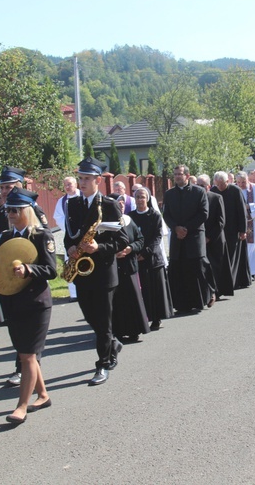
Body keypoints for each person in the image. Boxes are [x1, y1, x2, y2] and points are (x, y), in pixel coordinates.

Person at [65, 157, 129, 386]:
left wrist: (98, 247)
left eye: (86, 179)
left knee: (102, 322)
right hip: (82, 272)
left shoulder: (109, 205)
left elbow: (122, 240)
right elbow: (68, 234)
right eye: (80, 178)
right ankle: (112, 343)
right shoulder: (72, 204)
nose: (82, 183)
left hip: (103, 272)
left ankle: (102, 364)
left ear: (98, 181)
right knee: (91, 317)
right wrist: (70, 247)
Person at [0, 187, 57, 425]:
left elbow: (51, 270)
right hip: (13, 302)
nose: (10, 213)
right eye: (8, 209)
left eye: (15, 209)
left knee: (29, 356)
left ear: (27, 210)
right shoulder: (5, 237)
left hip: (36, 303)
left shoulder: (42, 235)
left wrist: (29, 269)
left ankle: (21, 406)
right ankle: (42, 395)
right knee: (24, 354)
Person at [0, 166, 46, 386]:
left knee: (27, 337)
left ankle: (25, 370)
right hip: (7, 278)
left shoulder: (32, 210)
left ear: (20, 186)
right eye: (2, 187)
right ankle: (38, 385)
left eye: (9, 186)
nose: (4, 191)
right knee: (16, 329)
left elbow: (39, 248)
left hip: (28, 279)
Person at [163, 165, 215, 312]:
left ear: (187, 175)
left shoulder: (198, 192)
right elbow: (166, 215)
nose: (177, 177)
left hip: (194, 236)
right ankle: (182, 304)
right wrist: (175, 228)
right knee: (178, 270)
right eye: (175, 175)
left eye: (180, 174)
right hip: (177, 237)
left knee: (198, 268)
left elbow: (203, 213)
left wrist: (186, 228)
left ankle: (208, 294)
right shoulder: (169, 194)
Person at [128, 187, 173, 331]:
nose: (140, 199)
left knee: (154, 291)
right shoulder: (130, 216)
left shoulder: (154, 215)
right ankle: (142, 318)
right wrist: (135, 251)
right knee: (141, 292)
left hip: (152, 258)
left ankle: (156, 318)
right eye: (137, 197)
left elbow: (157, 237)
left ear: (147, 199)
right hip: (136, 257)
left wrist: (146, 252)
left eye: (142, 197)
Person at [109, 193, 149, 343]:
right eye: (116, 203)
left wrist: (130, 249)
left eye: (121, 203)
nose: (119, 205)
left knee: (132, 300)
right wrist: (114, 253)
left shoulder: (128, 220)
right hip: (113, 268)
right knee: (117, 302)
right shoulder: (105, 224)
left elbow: (140, 240)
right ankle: (118, 332)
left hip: (129, 266)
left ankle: (134, 331)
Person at [211, 171, 249, 290]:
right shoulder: (213, 191)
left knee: (233, 255)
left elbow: (242, 212)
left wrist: (243, 230)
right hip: (219, 229)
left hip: (233, 228)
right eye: (217, 184)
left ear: (227, 181)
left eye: (222, 184)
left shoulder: (235, 191)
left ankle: (233, 281)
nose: (220, 187)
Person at [197, 174, 233, 299]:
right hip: (201, 238)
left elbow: (221, 221)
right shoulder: (195, 198)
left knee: (217, 266)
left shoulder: (216, 197)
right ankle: (207, 292)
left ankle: (217, 291)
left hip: (216, 238)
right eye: (198, 185)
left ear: (208, 186)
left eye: (202, 185)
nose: (200, 187)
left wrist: (209, 237)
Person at [52, 176, 79, 302]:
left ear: (76, 184)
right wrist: (69, 228)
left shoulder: (83, 197)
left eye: (69, 184)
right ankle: (74, 294)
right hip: (70, 237)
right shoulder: (62, 201)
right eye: (65, 185)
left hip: (84, 237)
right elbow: (58, 217)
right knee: (71, 265)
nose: (67, 187)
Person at [236, 171, 255, 278]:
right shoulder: (235, 189)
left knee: (252, 247)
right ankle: (241, 271)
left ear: (247, 180)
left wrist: (249, 206)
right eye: (238, 182)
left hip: (252, 222)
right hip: (238, 223)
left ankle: (252, 271)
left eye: (243, 182)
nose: (241, 185)